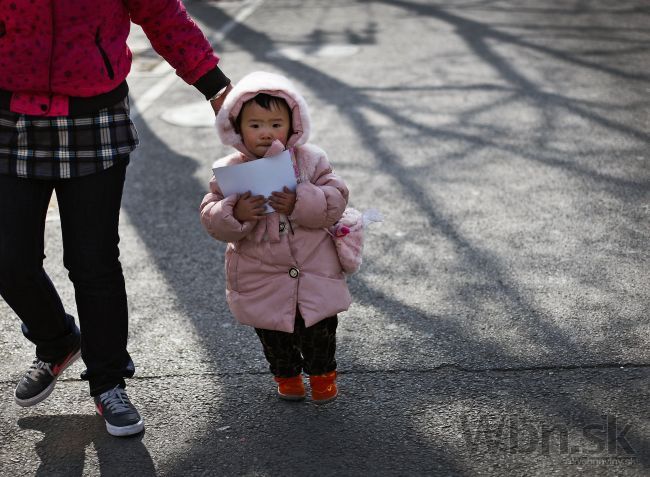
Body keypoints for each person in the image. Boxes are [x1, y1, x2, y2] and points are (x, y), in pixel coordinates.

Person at [0, 0, 232, 437]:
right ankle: (56, 341)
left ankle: (108, 382)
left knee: (93, 262)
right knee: (9, 260)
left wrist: (214, 85)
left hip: (95, 113)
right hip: (9, 115)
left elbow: (164, 15)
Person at [200, 71, 351, 403]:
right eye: (255, 126)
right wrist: (235, 213)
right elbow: (210, 217)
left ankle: (323, 376)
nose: (266, 133)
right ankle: (287, 378)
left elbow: (336, 199)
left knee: (319, 331)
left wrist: (301, 200)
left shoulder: (311, 161)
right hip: (261, 274)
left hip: (312, 268)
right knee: (273, 333)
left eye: (275, 124)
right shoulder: (229, 171)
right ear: (237, 129)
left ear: (293, 125)